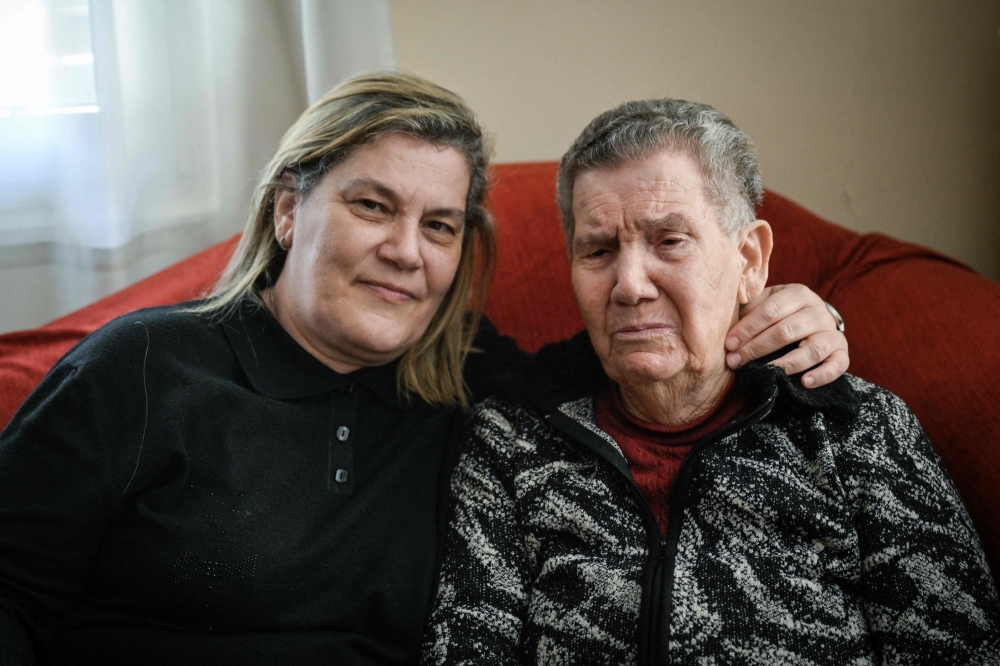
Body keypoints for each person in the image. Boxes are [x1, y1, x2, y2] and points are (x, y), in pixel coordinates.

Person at [0, 75, 850, 665]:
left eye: (439, 226)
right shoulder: (142, 368)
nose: (406, 252)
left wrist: (787, 316)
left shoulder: (461, 381)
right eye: (373, 206)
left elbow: (639, 349)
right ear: (289, 210)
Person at [421, 98, 1000, 665]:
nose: (630, 285)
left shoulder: (857, 432)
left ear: (749, 260)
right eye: (598, 250)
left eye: (669, 241)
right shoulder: (510, 443)